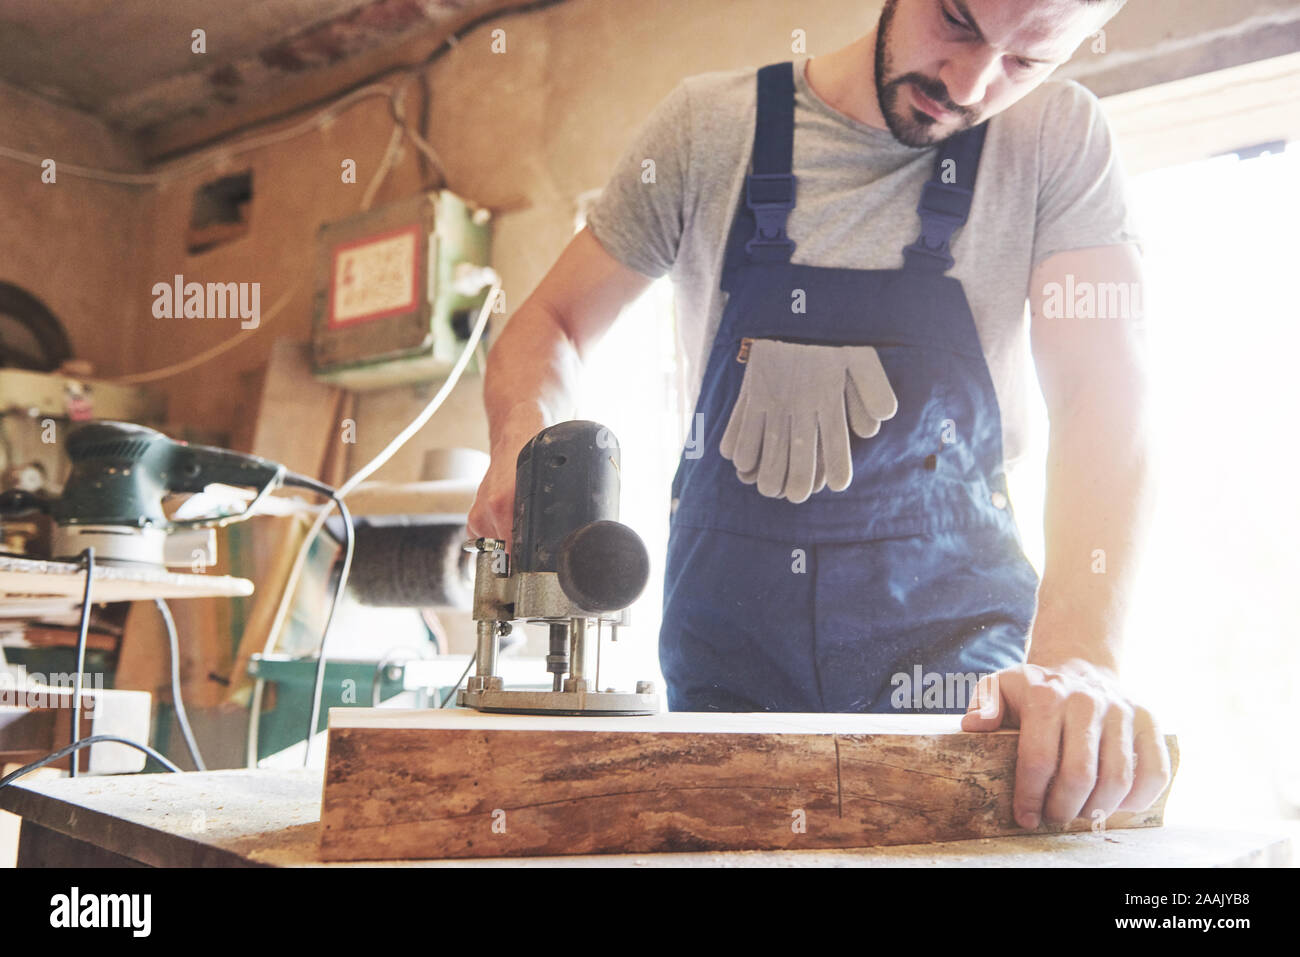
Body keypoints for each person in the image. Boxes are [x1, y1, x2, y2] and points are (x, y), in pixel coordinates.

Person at [468, 0, 1172, 832]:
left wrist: (1082, 659)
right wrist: (525, 435)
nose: (973, 83)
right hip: (730, 661)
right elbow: (549, 326)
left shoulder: (1058, 138)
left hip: (960, 674)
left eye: (1028, 61)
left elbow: (1102, 394)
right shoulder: (707, 127)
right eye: (956, 21)